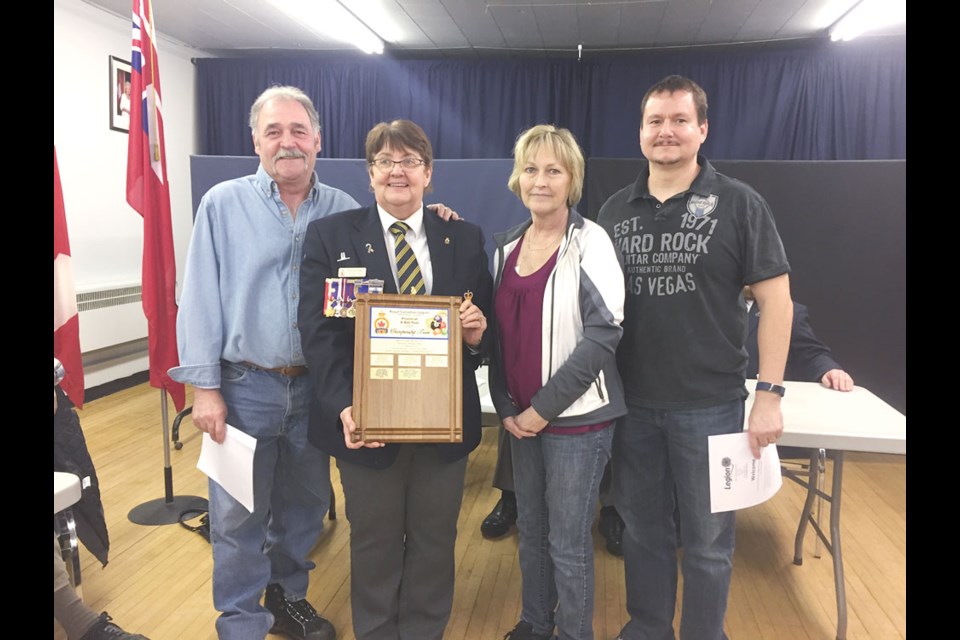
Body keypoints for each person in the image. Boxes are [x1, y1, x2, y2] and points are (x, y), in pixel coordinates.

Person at [596, 75, 793, 640]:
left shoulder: (739, 203)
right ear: (640, 133)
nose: (667, 132)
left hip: (711, 407)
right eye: (655, 121)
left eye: (680, 120)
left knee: (708, 543)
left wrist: (769, 395)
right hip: (632, 406)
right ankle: (648, 627)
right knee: (642, 533)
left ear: (702, 130)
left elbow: (777, 302)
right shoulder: (613, 211)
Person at [170, 86, 358, 640]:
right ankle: (241, 620)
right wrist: (203, 388)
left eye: (298, 130)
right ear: (256, 140)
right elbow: (200, 297)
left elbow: (364, 302)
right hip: (243, 386)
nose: (287, 142)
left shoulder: (346, 210)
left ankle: (288, 598)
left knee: (305, 505)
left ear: (318, 140)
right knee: (235, 516)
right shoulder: (222, 205)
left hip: (316, 391)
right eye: (274, 131)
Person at [298, 119, 492, 640]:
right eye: (385, 162)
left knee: (434, 541)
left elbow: (487, 329)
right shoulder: (331, 237)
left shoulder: (466, 238)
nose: (397, 172)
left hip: (442, 427)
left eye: (409, 162)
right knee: (375, 543)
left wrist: (477, 335)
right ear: (370, 175)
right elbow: (318, 336)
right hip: (366, 424)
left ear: (429, 173)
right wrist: (344, 406)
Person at [490, 124, 626, 640]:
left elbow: (601, 337)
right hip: (520, 421)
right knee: (533, 533)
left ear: (572, 180)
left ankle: (572, 633)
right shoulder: (504, 249)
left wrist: (542, 408)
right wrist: (506, 405)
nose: (540, 181)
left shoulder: (592, 243)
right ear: (517, 179)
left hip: (577, 423)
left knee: (568, 544)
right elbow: (499, 339)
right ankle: (534, 623)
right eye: (530, 169)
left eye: (553, 170)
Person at [744, 285, 854, 390]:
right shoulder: (727, 309)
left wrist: (829, 370)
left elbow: (810, 353)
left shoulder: (787, 311)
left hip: (762, 398)